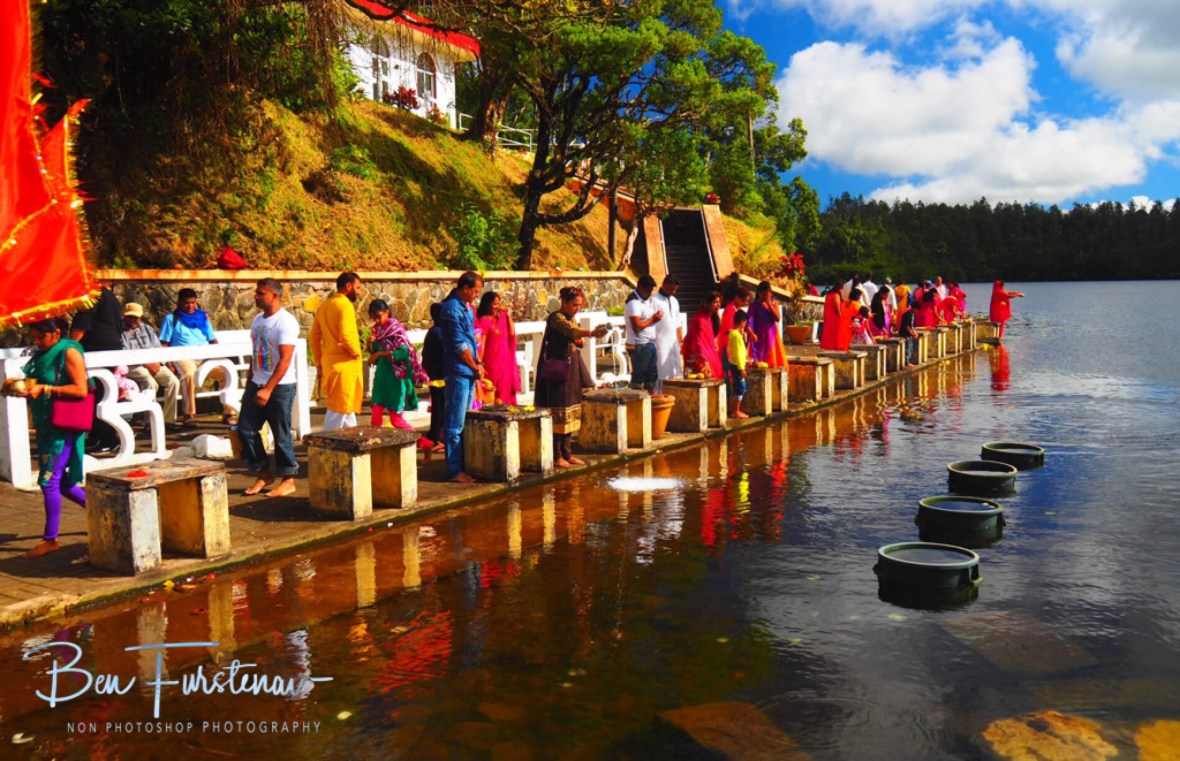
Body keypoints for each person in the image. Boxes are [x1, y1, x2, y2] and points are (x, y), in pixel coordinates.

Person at [17, 317, 90, 557]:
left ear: (56, 333)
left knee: (48, 481)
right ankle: (100, 510)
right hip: (47, 425)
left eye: (41, 337)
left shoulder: (69, 352)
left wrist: (46, 389)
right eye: (34, 338)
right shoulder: (43, 354)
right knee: (63, 483)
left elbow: (80, 389)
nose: (37, 342)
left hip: (63, 427)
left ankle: (50, 539)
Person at [534, 287, 608, 468]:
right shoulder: (556, 318)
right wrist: (590, 333)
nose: (577, 308)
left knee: (571, 412)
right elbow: (571, 331)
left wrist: (582, 338)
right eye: (574, 305)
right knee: (557, 412)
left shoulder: (572, 318)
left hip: (571, 371)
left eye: (580, 305)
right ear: (564, 302)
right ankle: (556, 455)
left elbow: (578, 339)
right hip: (557, 373)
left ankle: (567, 453)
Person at [239, 278, 300, 497]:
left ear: (274, 295)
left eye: (261, 293)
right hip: (257, 383)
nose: (256, 296)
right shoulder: (257, 321)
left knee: (281, 434)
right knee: (245, 429)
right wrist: (250, 385)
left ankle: (288, 479)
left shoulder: (286, 322)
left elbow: (285, 359)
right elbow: (255, 354)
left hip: (280, 387)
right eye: (256, 292)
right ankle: (264, 473)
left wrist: (268, 389)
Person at [159, 288, 229, 426]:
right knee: (189, 374)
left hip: (204, 357)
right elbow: (164, 343)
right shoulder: (171, 319)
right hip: (182, 356)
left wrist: (219, 354)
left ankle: (229, 412)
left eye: (193, 303)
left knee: (225, 372)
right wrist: (168, 363)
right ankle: (189, 414)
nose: (190, 306)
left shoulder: (203, 317)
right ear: (179, 303)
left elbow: (212, 339)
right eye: (186, 303)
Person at [439, 271, 484, 483]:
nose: (477, 295)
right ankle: (455, 469)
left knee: (465, 421)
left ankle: (464, 464)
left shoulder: (467, 308)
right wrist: (475, 366)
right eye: (475, 291)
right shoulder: (452, 309)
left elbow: (471, 340)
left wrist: (478, 363)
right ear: (465, 288)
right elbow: (459, 345)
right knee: (455, 424)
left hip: (468, 369)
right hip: (459, 370)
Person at [69, 284, 122, 451]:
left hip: (97, 348)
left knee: (97, 394)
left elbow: (82, 323)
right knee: (103, 393)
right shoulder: (109, 295)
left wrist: (68, 346)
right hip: (112, 345)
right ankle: (102, 436)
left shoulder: (91, 294)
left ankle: (105, 438)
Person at [309, 272, 363, 431]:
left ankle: (352, 441)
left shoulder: (324, 307)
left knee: (346, 409)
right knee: (338, 410)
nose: (359, 292)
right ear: (348, 286)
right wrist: (356, 353)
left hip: (329, 365)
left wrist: (319, 362)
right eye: (358, 287)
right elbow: (346, 336)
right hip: (344, 366)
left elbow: (313, 338)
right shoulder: (345, 305)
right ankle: (326, 443)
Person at [368, 300, 427, 431]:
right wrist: (369, 344)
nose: (376, 320)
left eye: (378, 316)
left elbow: (403, 352)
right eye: (373, 318)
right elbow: (375, 355)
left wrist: (380, 354)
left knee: (396, 420)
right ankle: (376, 444)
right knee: (375, 419)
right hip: (381, 378)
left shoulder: (396, 329)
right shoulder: (378, 331)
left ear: (387, 312)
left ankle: (418, 439)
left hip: (396, 379)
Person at [120, 301, 181, 426]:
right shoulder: (120, 332)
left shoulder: (147, 329)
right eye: (131, 317)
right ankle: (151, 422)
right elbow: (126, 353)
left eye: (137, 317)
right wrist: (147, 363)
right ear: (125, 317)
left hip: (153, 362)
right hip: (134, 365)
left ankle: (169, 420)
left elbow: (158, 348)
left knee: (173, 381)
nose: (135, 320)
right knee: (150, 383)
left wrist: (159, 362)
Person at [474, 291, 520, 406]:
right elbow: (482, 344)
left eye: (498, 304)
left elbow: (511, 334)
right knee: (493, 392)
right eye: (494, 304)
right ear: (487, 304)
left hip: (504, 362)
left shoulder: (500, 319)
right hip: (491, 364)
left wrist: (508, 317)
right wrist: (479, 363)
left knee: (505, 392)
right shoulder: (483, 321)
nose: (496, 307)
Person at [624, 274, 661, 392]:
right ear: (639, 287)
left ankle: (650, 400)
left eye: (651, 291)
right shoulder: (633, 303)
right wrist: (653, 319)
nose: (650, 294)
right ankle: (637, 402)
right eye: (648, 291)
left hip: (649, 343)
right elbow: (637, 326)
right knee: (638, 379)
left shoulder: (646, 300)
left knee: (652, 378)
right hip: (640, 345)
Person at [419, 303, 446, 452]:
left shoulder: (435, 331)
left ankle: (433, 436)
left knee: (439, 407)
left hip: (435, 374)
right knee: (439, 408)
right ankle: (434, 439)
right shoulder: (438, 332)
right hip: (438, 376)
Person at [650, 274, 683, 392]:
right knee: (660, 372)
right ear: (664, 284)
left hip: (673, 343)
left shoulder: (674, 301)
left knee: (676, 371)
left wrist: (680, 341)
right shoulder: (654, 300)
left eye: (675, 290)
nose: (673, 292)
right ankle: (658, 397)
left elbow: (678, 322)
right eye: (671, 289)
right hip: (660, 342)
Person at [682, 291, 723, 378]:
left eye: (719, 302)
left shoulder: (709, 318)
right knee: (694, 379)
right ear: (707, 304)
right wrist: (704, 360)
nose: (718, 304)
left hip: (703, 356)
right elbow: (698, 341)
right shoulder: (700, 319)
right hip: (695, 356)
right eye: (715, 302)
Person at [748, 281, 786, 367]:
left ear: (770, 293)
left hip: (772, 336)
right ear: (759, 293)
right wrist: (751, 333)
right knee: (760, 364)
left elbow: (777, 318)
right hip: (759, 338)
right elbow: (750, 322)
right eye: (763, 294)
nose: (765, 297)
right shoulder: (753, 306)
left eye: (767, 294)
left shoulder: (774, 303)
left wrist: (769, 304)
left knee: (774, 362)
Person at [726, 309, 750, 419]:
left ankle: (736, 410)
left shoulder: (733, 334)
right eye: (745, 322)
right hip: (737, 365)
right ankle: (736, 411)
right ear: (741, 321)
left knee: (737, 387)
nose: (745, 324)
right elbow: (738, 353)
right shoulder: (736, 336)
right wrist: (741, 368)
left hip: (735, 363)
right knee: (740, 388)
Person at [898, 296, 918, 366]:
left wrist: (914, 333)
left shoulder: (913, 315)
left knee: (910, 347)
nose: (917, 311)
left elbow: (913, 326)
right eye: (916, 310)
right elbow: (907, 326)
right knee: (906, 348)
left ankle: (908, 360)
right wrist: (912, 333)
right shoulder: (907, 315)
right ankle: (906, 362)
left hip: (910, 334)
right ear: (913, 308)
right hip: (905, 334)